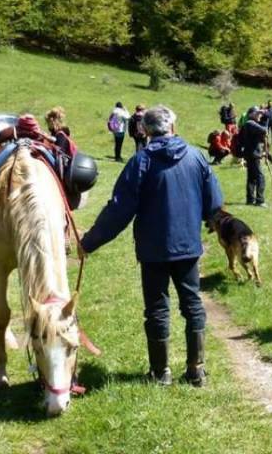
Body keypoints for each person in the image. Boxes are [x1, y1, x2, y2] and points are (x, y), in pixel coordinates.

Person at [80, 106, 223, 387]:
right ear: (173, 127)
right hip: (188, 247)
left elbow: (119, 210)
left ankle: (161, 373)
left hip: (153, 249)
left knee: (157, 308)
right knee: (193, 304)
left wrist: (89, 242)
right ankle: (196, 370)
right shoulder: (197, 157)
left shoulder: (140, 161)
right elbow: (214, 203)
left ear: (144, 130)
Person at [242, 106, 268, 207]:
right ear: (251, 114)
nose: (259, 115)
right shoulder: (250, 123)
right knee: (260, 177)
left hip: (250, 154)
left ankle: (250, 199)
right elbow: (264, 130)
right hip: (253, 154)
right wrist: (265, 118)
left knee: (252, 178)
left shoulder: (251, 124)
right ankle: (260, 200)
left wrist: (263, 116)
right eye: (257, 113)